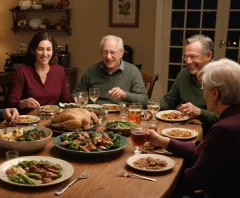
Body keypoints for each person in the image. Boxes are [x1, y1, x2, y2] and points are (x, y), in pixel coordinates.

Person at [147, 58, 240, 197]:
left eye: (204, 88)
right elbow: (200, 151)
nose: (203, 94)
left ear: (215, 93)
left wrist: (157, 173)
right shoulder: (232, 120)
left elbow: (195, 180)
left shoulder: (224, 129)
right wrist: (160, 140)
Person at [160, 35, 218, 132]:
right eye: (186, 57)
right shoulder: (184, 74)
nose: (188, 61)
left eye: (193, 57)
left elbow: (229, 118)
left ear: (209, 55)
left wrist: (200, 112)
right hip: (186, 130)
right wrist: (150, 106)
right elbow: (169, 101)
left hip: (214, 133)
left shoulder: (221, 77)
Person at [71, 35, 148, 106]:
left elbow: (144, 100)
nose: (108, 57)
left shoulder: (133, 71)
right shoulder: (91, 70)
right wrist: (78, 98)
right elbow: (76, 93)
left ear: (121, 53)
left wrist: (125, 95)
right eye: (105, 52)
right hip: (95, 114)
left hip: (121, 115)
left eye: (112, 52)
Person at [8, 31, 72, 113]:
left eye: (48, 49)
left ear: (53, 51)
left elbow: (66, 100)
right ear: (33, 50)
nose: (45, 54)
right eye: (40, 49)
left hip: (52, 119)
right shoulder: (22, 71)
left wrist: (75, 100)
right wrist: (23, 103)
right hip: (28, 120)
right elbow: (11, 103)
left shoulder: (59, 70)